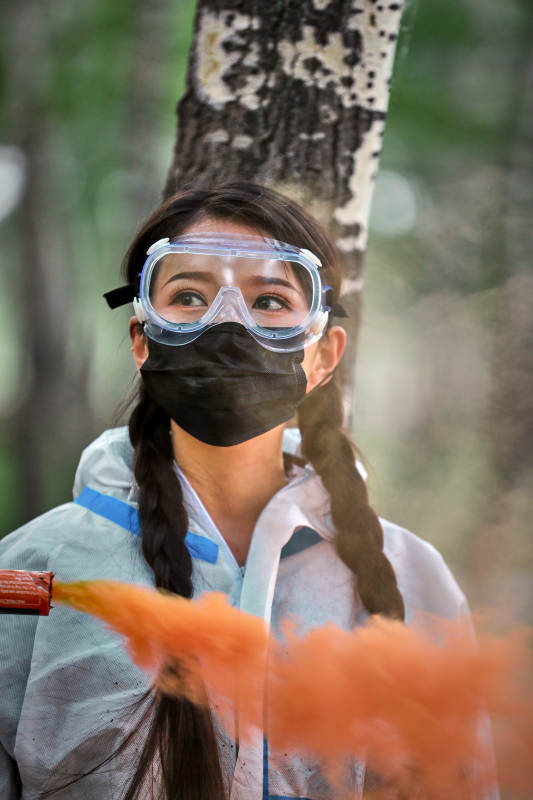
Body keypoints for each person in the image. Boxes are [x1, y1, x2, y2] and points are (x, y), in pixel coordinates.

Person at [0, 183, 493, 800]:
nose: (228, 323)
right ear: (142, 341)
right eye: (188, 297)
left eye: (270, 301)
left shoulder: (415, 578)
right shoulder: (29, 574)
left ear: (324, 355)